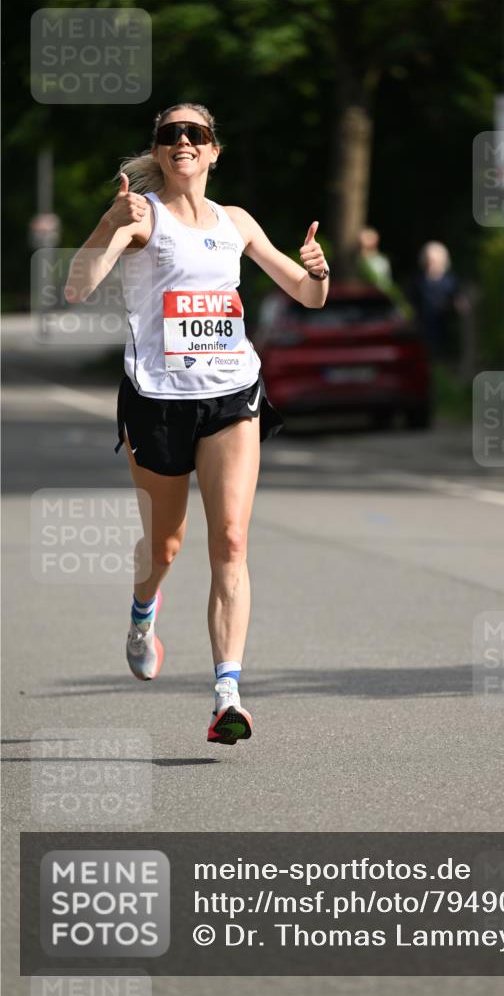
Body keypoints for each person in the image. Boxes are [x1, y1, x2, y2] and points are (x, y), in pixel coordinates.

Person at [65, 103, 329, 746]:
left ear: (214, 151)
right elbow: (78, 286)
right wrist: (107, 223)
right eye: (169, 134)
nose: (182, 141)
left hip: (232, 393)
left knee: (232, 542)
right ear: (158, 152)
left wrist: (318, 272)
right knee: (165, 548)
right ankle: (141, 612)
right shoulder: (141, 217)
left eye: (195, 134)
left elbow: (306, 293)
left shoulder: (235, 222)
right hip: (156, 400)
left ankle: (226, 695)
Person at [410, 241, 468, 363]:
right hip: (424, 328)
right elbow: (413, 303)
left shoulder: (451, 280)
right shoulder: (418, 281)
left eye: (435, 259)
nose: (433, 263)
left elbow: (458, 300)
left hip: (445, 326)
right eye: (430, 259)